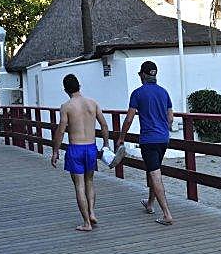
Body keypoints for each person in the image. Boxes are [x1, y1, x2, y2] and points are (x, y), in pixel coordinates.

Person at [117, 61, 174, 226]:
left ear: (142, 75)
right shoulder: (164, 92)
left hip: (149, 140)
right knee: (152, 170)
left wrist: (121, 137)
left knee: (155, 174)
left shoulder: (137, 93)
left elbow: (129, 118)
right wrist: (163, 128)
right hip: (163, 139)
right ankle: (150, 203)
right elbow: (170, 118)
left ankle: (167, 214)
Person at [51, 74, 110, 232]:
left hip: (75, 148)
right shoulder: (93, 103)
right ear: (79, 86)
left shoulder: (66, 106)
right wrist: (106, 145)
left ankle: (86, 223)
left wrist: (55, 151)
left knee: (79, 185)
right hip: (91, 148)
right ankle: (92, 212)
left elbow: (61, 130)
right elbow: (104, 125)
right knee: (89, 181)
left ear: (65, 90)